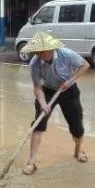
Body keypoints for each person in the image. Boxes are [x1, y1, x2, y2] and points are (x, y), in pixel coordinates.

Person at [19, 32, 90, 175]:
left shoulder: (66, 54)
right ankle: (31, 161)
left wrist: (71, 80)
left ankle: (78, 150)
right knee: (38, 124)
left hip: (68, 90)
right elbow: (37, 87)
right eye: (36, 52)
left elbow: (85, 65)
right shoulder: (35, 63)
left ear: (50, 49)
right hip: (48, 91)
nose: (38, 54)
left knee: (76, 125)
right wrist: (43, 103)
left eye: (41, 51)